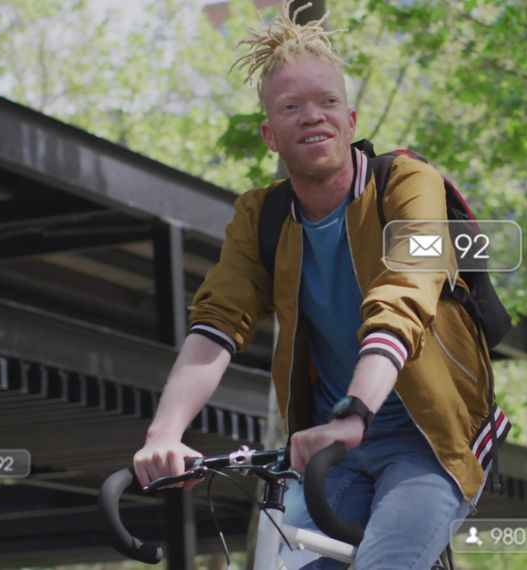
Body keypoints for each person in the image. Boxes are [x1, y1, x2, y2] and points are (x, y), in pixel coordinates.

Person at [133, 3, 506, 568]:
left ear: (350, 121)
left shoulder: (410, 184)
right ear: (269, 134)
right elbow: (216, 324)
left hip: (434, 439)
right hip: (330, 450)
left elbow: (405, 296)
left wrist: (353, 415)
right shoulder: (260, 216)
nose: (313, 117)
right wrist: (163, 435)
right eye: (291, 106)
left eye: (327, 102)